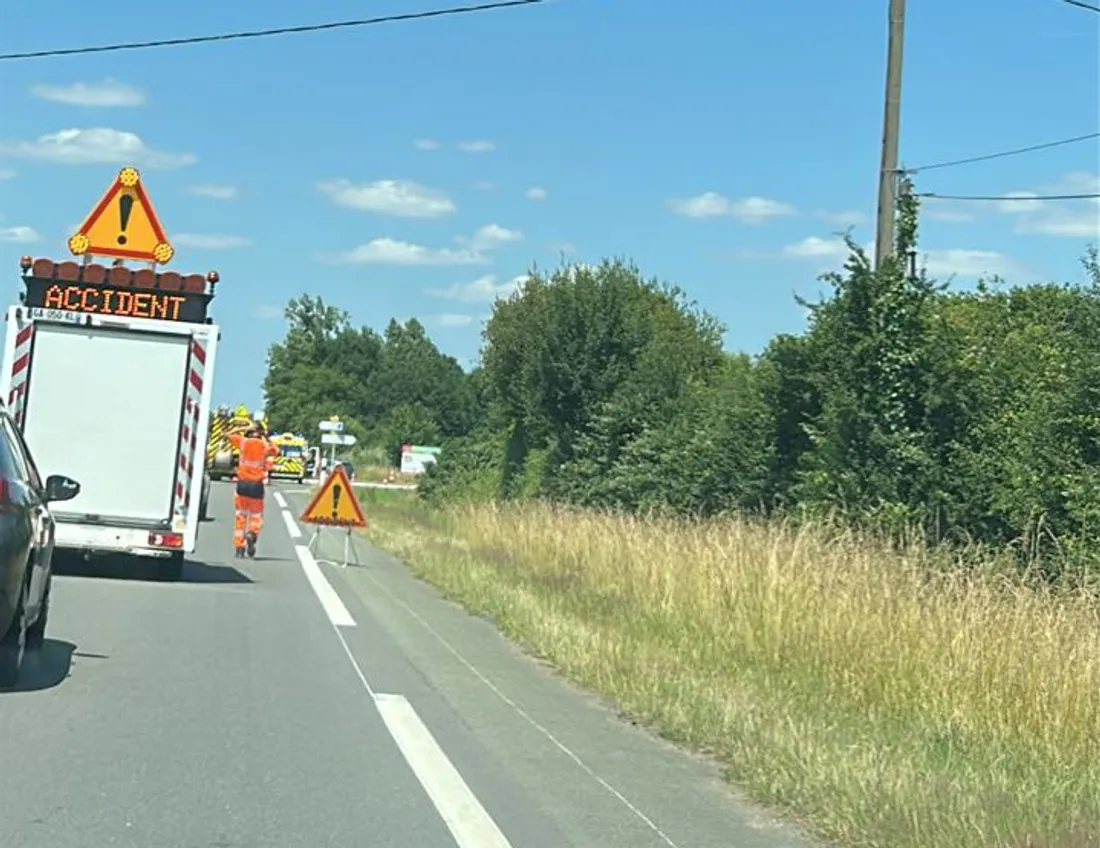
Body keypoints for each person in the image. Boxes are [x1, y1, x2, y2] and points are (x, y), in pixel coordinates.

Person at [228, 425, 279, 558]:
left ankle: (239, 548)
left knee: (240, 517)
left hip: (242, 485)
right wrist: (267, 437)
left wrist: (243, 427)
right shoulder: (264, 445)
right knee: (256, 515)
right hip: (256, 485)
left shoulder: (243, 442)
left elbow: (227, 434)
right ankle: (252, 533)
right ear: (260, 434)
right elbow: (276, 450)